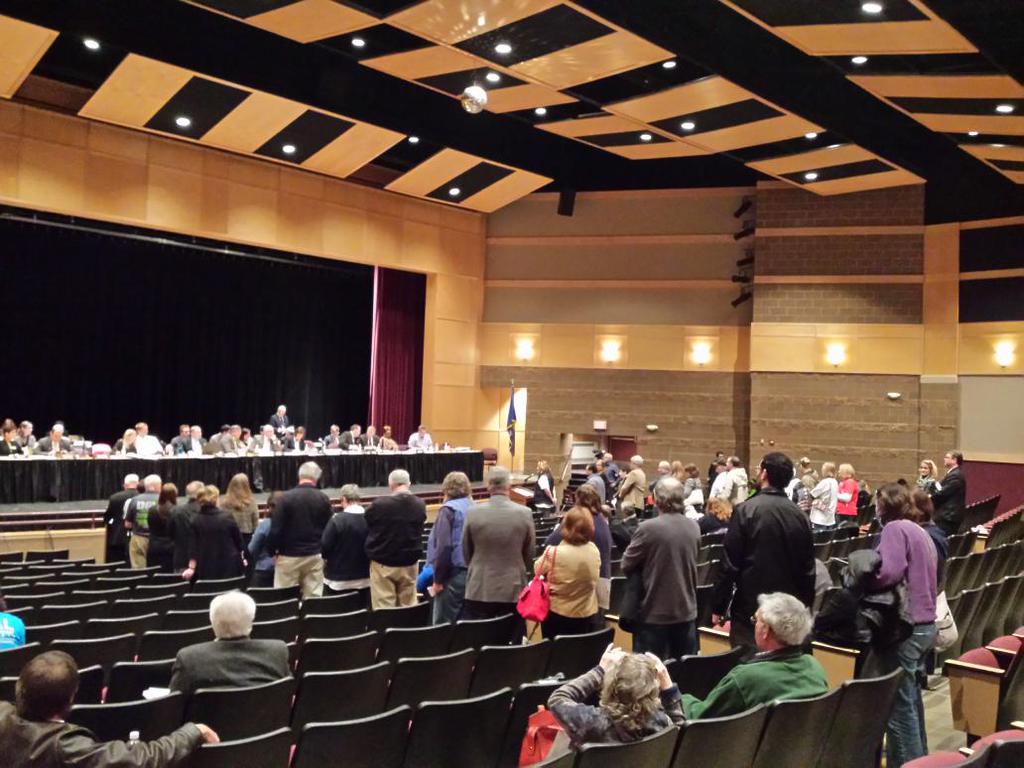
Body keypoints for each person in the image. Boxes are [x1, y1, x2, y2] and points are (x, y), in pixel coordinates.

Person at [0, 651, 218, 765]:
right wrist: (192, 732)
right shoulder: (66, 748)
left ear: (19, 687)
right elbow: (142, 760)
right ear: (72, 697)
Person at [713, 452, 816, 649]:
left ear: (764, 473)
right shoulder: (801, 516)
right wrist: (803, 608)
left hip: (751, 610)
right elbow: (808, 569)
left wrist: (718, 605)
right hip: (787, 610)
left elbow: (729, 564)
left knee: (748, 662)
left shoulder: (745, 510)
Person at [867, 483, 939, 768]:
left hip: (906, 627)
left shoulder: (894, 529)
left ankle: (908, 763)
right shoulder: (920, 531)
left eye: (877, 504)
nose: (875, 509)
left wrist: (862, 576)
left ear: (885, 506)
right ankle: (920, 760)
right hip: (925, 625)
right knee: (911, 702)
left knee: (898, 708)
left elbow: (889, 572)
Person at [682, 593, 829, 719]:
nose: (754, 625)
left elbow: (699, 717)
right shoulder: (815, 667)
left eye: (755, 620)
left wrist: (677, 695)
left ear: (765, 630)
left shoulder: (746, 678)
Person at [621, 477, 701, 659]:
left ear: (657, 499)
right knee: (681, 671)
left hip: (653, 616)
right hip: (686, 612)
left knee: (648, 673)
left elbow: (626, 564)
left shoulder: (648, 528)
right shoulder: (694, 527)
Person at [548, 645, 682, 751]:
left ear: (610, 686)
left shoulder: (592, 722)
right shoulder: (661, 723)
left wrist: (599, 671)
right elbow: (681, 742)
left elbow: (557, 698)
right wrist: (669, 689)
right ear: (653, 691)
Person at [169, 591, 290, 703]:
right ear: (251, 621)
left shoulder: (189, 659)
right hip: (267, 719)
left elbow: (174, 706)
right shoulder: (278, 651)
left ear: (212, 621)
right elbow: (286, 697)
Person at [462, 466, 535, 622]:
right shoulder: (525, 513)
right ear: (509, 486)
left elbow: (466, 551)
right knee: (510, 635)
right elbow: (529, 553)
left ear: (488, 486)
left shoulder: (473, 512)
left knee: (479, 634)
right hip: (513, 587)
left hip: (480, 586)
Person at [267, 462, 332, 598]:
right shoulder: (323, 498)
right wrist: (324, 552)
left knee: (284, 599)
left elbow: (275, 530)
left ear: (299, 475)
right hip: (314, 554)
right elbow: (329, 528)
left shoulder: (285, 499)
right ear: (316, 478)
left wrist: (272, 551)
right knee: (313, 599)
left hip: (288, 556)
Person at [535, 507, 601, 638]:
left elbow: (537, 569)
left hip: (557, 616)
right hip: (586, 614)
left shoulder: (553, 552)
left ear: (565, 526)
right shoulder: (594, 550)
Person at [364, 469, 426, 608]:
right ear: (409, 484)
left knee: (385, 608)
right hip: (410, 563)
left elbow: (367, 521)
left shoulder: (379, 505)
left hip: (383, 563)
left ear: (390, 484)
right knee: (408, 607)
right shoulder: (420, 504)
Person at [546, 484, 613, 611]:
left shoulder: (580, 519)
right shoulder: (602, 520)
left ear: (578, 499)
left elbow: (550, 542)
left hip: (583, 582)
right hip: (603, 578)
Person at [428, 472, 472, 623]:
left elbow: (444, 547)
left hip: (453, 575)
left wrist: (438, 580)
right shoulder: (474, 507)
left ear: (446, 489)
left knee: (443, 625)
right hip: (473, 574)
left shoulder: (448, 510)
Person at [182, 485, 245, 581]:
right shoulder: (227, 517)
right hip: (228, 566)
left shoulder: (195, 520)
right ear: (216, 499)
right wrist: (243, 558)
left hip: (205, 567)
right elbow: (239, 542)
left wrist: (191, 568)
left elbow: (192, 548)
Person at [321, 484, 370, 595]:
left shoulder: (337, 520)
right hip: (365, 579)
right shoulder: (370, 519)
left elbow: (325, 547)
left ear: (343, 499)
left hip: (338, 580)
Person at [124, 474, 161, 569]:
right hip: (159, 540)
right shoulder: (163, 500)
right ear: (158, 486)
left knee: (139, 570)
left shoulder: (134, 500)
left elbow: (128, 524)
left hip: (139, 538)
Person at [248, 491, 282, 588]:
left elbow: (252, 549)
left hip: (264, 570)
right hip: (285, 569)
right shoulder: (292, 524)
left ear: (269, 507)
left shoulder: (265, 525)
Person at [104, 474, 138, 564]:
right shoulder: (142, 498)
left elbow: (107, 517)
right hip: (138, 535)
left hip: (117, 537)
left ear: (125, 485)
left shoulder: (115, 498)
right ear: (138, 484)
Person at [931, 450, 967, 536]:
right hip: (947, 515)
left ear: (954, 460)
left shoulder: (956, 475)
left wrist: (927, 498)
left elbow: (943, 493)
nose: (944, 459)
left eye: (947, 457)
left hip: (948, 517)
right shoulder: (953, 473)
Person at [170, 481, 202, 573]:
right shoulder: (206, 511)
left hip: (181, 558)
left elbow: (170, 533)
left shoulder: (176, 511)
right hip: (203, 559)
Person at [220, 473, 259, 549]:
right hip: (246, 536)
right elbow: (255, 521)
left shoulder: (224, 503)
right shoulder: (251, 502)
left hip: (228, 536)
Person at [146, 483, 177, 573]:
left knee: (154, 574)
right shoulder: (177, 511)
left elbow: (150, 526)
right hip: (172, 547)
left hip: (154, 546)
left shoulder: (152, 510)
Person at [809, 462, 839, 530]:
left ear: (827, 471)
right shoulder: (835, 482)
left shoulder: (825, 482)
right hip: (830, 518)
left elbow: (812, 494)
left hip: (819, 518)